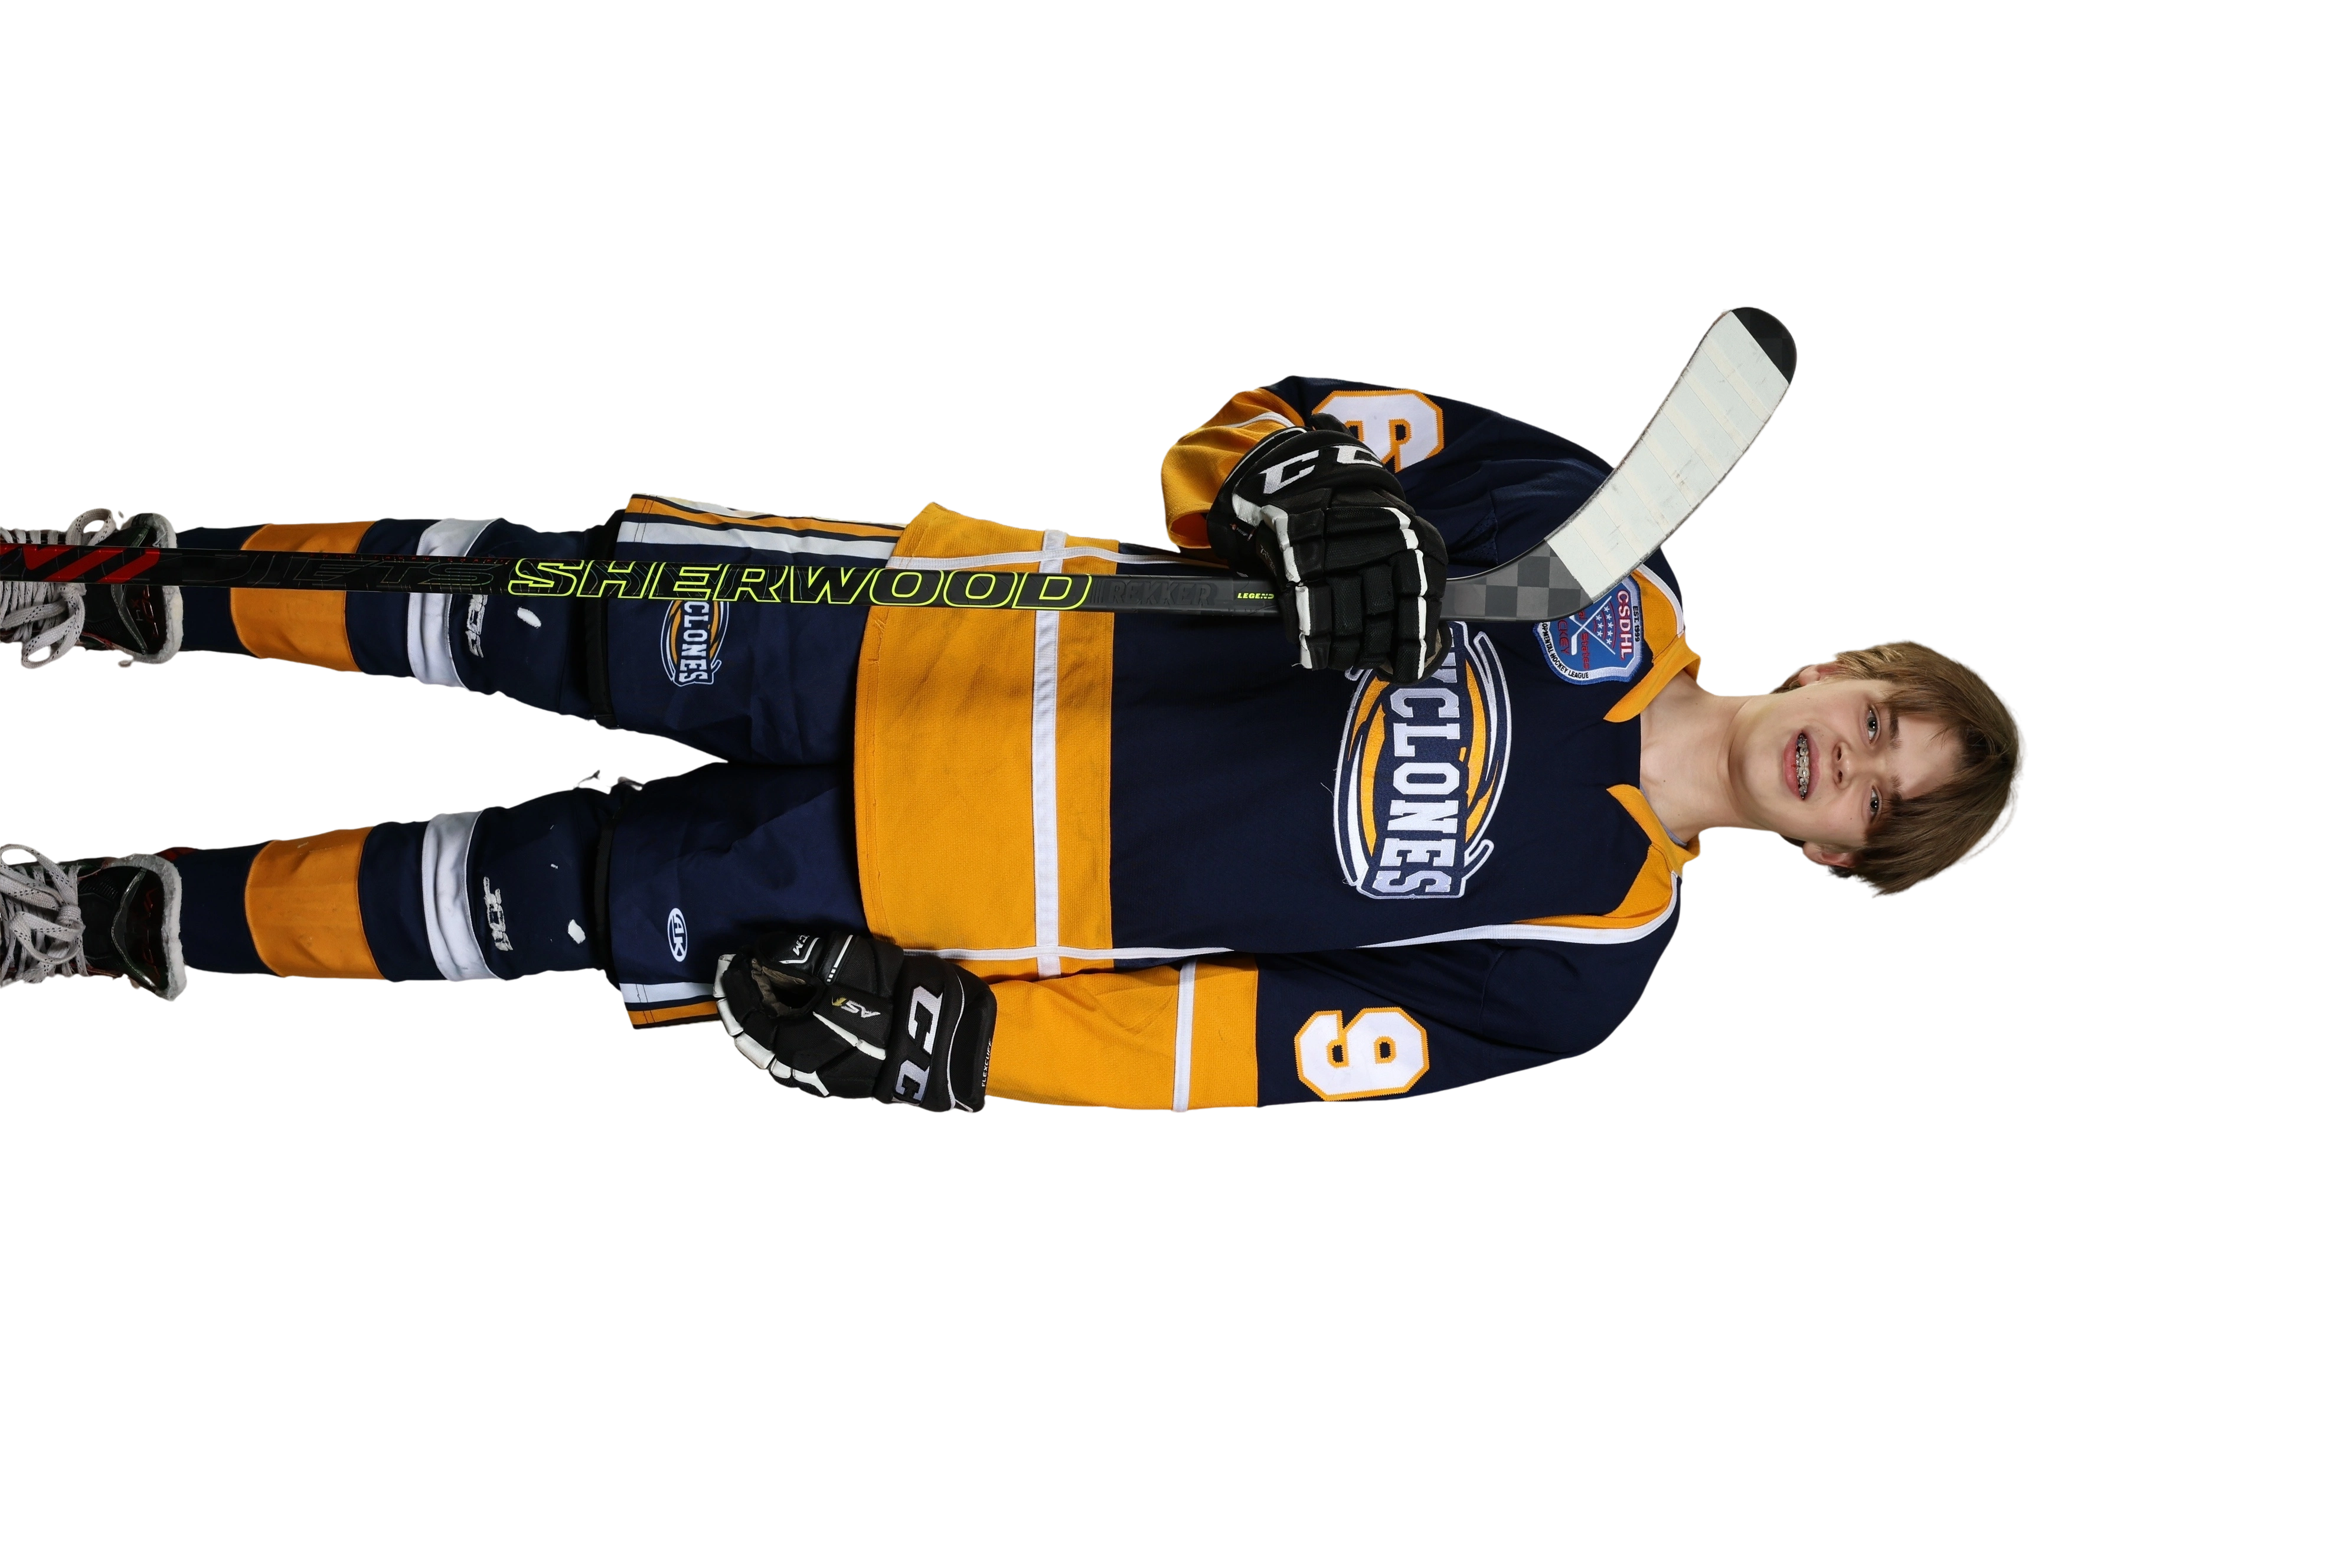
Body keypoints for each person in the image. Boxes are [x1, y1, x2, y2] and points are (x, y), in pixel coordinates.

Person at [0, 376, 2030, 1113]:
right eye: (1882, 722)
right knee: (504, 597)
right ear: (1843, 668)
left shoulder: (1580, 963)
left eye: (1881, 802)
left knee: (496, 909)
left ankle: (99, 916)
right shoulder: (1594, 543)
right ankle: (123, 585)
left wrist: (968, 1052)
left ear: (1837, 862)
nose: (1851, 763)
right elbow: (1278, 420)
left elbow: (1239, 1044)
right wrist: (1294, 496)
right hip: (922, 644)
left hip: (918, 891)